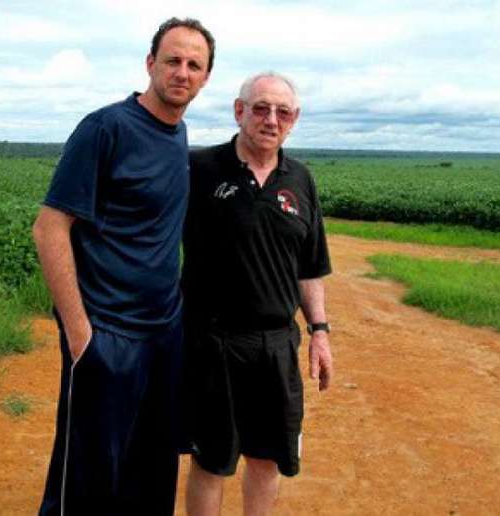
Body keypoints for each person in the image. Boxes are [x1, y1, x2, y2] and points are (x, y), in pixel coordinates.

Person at [33, 17, 214, 515]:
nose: (182, 72)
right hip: (107, 331)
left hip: (163, 334)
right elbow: (50, 227)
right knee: (88, 477)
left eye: (194, 65)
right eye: (173, 60)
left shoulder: (178, 135)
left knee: (153, 469)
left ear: (205, 79)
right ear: (150, 63)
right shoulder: (105, 128)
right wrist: (79, 332)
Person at [181, 72, 333, 516]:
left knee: (267, 461)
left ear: (294, 119)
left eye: (282, 112)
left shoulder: (300, 180)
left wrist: (320, 332)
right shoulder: (200, 168)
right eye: (261, 108)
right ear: (238, 111)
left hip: (277, 344)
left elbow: (310, 268)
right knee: (211, 461)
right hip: (212, 342)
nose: (271, 119)